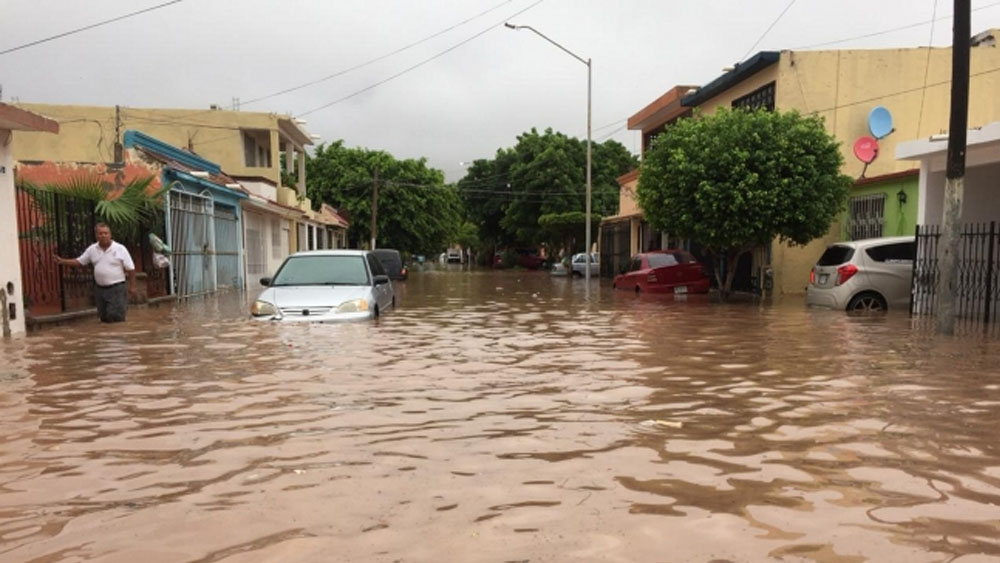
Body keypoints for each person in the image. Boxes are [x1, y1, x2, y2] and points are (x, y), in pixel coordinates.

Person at [54, 223, 136, 323]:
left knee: (115, 317)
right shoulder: (92, 249)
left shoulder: (120, 249)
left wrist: (132, 286)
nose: (103, 235)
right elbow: (80, 261)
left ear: (110, 234)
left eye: (106, 233)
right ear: (96, 235)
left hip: (117, 288)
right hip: (100, 289)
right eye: (100, 233)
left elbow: (131, 268)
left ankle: (118, 336)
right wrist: (62, 261)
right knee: (104, 318)